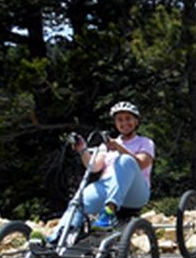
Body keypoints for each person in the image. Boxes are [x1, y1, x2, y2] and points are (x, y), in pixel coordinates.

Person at [48, 101, 155, 243]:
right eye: (120, 120)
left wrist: (119, 148)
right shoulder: (107, 145)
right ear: (116, 123)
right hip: (107, 188)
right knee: (78, 200)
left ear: (136, 121)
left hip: (135, 193)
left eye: (128, 118)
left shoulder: (145, 142)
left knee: (125, 161)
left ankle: (108, 212)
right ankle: (61, 235)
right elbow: (93, 167)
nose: (124, 123)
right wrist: (83, 149)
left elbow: (142, 163)